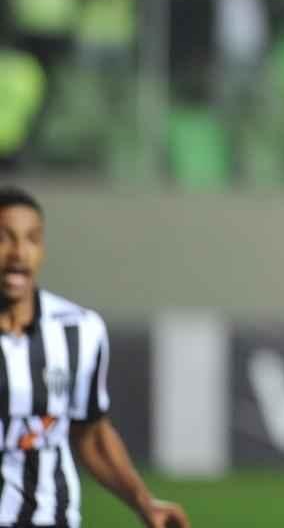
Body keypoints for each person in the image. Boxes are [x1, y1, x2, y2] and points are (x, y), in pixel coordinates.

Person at [0, 187, 189, 528]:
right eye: (3, 238)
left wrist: (144, 503)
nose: (18, 253)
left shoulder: (79, 330)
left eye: (32, 239)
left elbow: (92, 434)